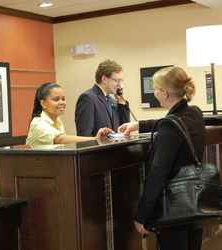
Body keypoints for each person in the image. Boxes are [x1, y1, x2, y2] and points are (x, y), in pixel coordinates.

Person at [118, 66, 205, 250]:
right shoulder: (195, 113)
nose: (154, 91)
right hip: (195, 200)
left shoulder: (170, 126)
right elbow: (173, 122)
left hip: (173, 208)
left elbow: (158, 173)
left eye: (155, 88)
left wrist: (142, 215)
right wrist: (138, 125)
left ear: (164, 93)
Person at [26, 82, 112, 147]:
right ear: (43, 103)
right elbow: (60, 139)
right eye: (56, 99)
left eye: (63, 99)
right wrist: (95, 139)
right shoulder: (37, 123)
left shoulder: (58, 121)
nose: (61, 102)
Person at [75, 59, 130, 136]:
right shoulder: (87, 98)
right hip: (99, 148)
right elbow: (84, 135)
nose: (120, 85)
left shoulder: (113, 101)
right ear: (104, 79)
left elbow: (124, 129)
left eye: (121, 81)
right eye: (116, 81)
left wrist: (121, 101)